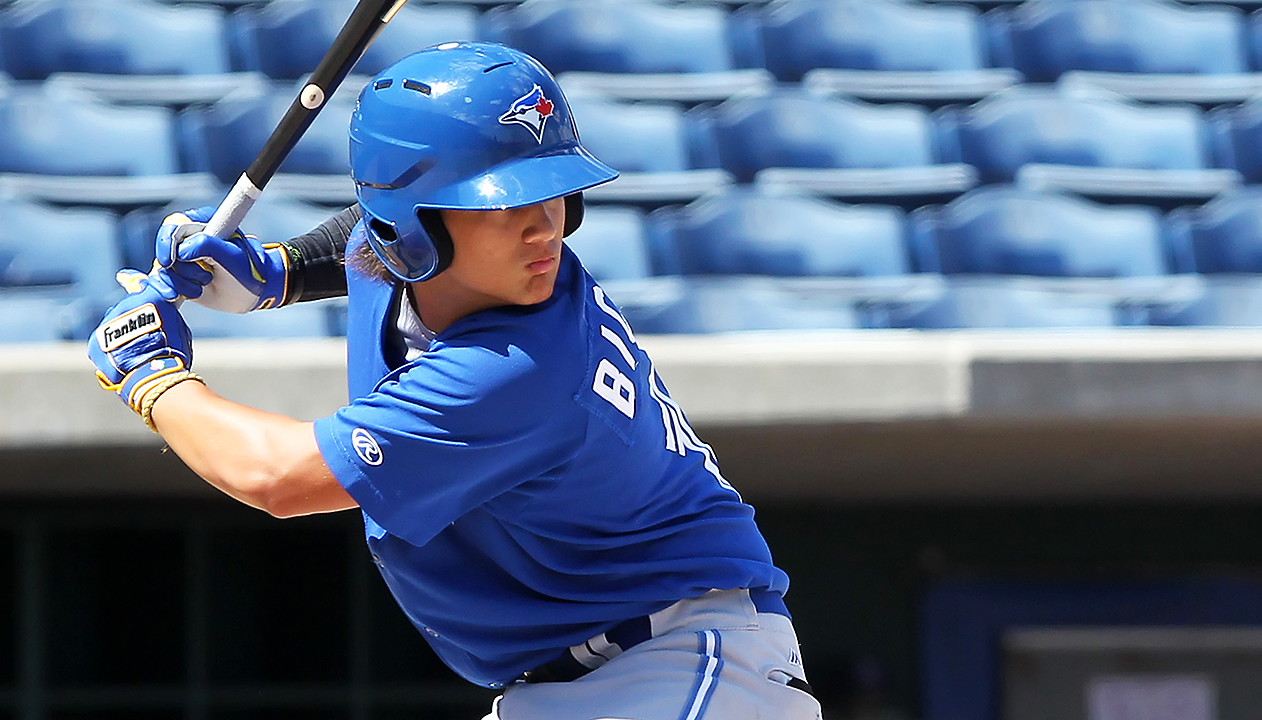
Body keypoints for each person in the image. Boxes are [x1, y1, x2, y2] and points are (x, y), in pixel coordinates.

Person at [88, 42, 822, 720]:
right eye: (503, 203)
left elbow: (276, 478)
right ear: (408, 226)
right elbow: (363, 234)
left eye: (556, 192)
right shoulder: (417, 257)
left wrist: (152, 375)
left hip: (681, 664)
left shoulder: (513, 368)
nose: (545, 227)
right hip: (591, 679)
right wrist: (275, 272)